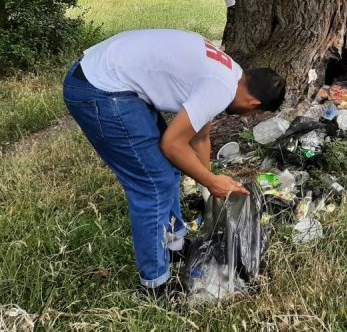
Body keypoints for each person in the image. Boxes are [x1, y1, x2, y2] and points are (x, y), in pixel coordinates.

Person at [62, 29, 286, 296]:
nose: (248, 116)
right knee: (153, 184)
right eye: (255, 112)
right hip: (98, 89)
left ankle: (173, 247)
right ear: (253, 102)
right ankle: (155, 285)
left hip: (108, 76)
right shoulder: (221, 88)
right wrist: (212, 181)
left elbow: (199, 138)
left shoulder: (231, 74)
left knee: (168, 172)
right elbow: (172, 144)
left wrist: (207, 187)